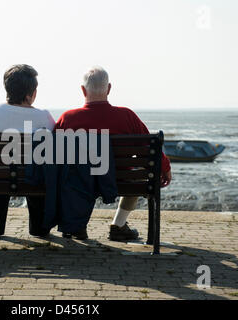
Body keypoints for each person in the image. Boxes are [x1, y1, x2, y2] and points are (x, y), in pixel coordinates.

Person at [54, 66, 172, 241]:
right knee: (138, 177)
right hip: (117, 180)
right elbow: (150, 146)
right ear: (108, 88)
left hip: (79, 181)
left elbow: (54, 153)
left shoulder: (68, 118)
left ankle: (76, 226)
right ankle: (118, 226)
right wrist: (165, 168)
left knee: (72, 175)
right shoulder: (126, 116)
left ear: (83, 90)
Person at [0, 64, 55, 237]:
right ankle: (39, 228)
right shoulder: (43, 116)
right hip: (32, 179)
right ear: (30, 94)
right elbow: (55, 150)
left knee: (1, 175)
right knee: (36, 170)